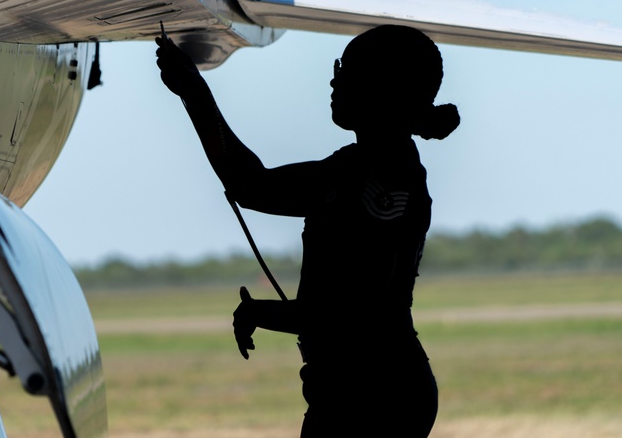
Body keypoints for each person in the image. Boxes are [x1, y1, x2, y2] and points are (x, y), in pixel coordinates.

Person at [155, 24, 459, 437]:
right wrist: (191, 89)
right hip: (368, 392)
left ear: (382, 88)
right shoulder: (367, 166)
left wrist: (194, 91)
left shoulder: (379, 179)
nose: (334, 79)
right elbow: (253, 186)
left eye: (346, 68)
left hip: (373, 398)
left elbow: (349, 314)